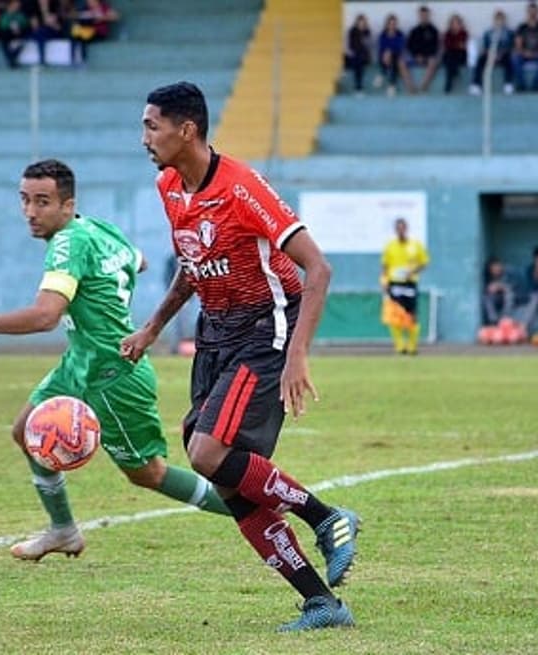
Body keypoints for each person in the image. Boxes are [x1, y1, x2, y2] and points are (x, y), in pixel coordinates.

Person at [123, 82, 359, 632]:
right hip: (215, 333)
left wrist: (298, 354)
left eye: (151, 126)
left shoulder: (242, 187)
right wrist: (153, 326)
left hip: (265, 328)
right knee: (228, 481)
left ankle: (327, 518)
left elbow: (317, 269)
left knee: (207, 453)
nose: (144, 138)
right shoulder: (169, 186)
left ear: (187, 130)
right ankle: (322, 603)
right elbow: (193, 261)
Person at [0, 159, 230, 563]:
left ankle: (264, 510)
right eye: (24, 200)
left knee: (149, 474)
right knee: (26, 430)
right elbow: (138, 261)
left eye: (42, 202)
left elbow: (45, 316)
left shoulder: (68, 243)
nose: (30, 211)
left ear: (67, 205)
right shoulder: (100, 229)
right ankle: (63, 531)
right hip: (80, 361)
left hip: (113, 371)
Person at [380, 218, 429, 355]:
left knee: (412, 316)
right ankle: (400, 346)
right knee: (395, 316)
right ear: (395, 230)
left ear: (406, 229)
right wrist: (384, 281)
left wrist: (413, 271)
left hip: (409, 283)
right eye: (398, 228)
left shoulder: (415, 245)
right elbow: (385, 266)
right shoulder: (390, 246)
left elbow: (424, 262)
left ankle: (412, 347)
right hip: (394, 283)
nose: (401, 230)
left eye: (403, 228)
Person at [470, 10, 515, 96]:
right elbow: (485, 47)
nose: (499, 22)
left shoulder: (509, 33)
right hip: (490, 54)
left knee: (509, 60)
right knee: (480, 60)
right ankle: (476, 85)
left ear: (504, 20)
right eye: (497, 19)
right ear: (494, 20)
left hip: (503, 55)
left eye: (501, 19)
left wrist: (501, 53)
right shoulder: (488, 33)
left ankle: (508, 84)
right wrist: (490, 53)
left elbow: (511, 46)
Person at [512, 1, 538, 93]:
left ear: (537, 12)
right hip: (524, 54)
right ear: (527, 12)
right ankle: (521, 85)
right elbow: (518, 44)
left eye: (534, 11)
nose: (532, 14)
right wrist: (524, 52)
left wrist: (536, 53)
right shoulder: (522, 27)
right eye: (530, 11)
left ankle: (535, 85)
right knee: (515, 59)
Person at [406, 5, 440, 94]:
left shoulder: (433, 31)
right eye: (421, 15)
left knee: (433, 61)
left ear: (428, 16)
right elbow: (409, 46)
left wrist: (424, 56)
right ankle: (411, 87)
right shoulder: (414, 31)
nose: (423, 17)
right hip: (415, 58)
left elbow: (435, 47)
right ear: (419, 16)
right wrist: (416, 55)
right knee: (400, 61)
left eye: (425, 15)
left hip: (427, 58)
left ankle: (423, 86)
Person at [376, 14, 413, 96]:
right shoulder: (382, 35)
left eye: (394, 24)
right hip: (384, 57)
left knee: (395, 59)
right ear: (387, 24)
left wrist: (390, 52)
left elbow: (400, 48)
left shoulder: (400, 34)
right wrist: (386, 53)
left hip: (396, 56)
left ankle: (382, 74)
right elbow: (381, 48)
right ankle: (391, 85)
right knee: (388, 56)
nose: (392, 26)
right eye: (390, 24)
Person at [482, 257, 515, 326]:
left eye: (498, 267)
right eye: (494, 268)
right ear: (490, 269)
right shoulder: (488, 277)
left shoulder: (507, 273)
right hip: (495, 299)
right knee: (486, 296)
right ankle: (493, 321)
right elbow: (487, 288)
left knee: (509, 293)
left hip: (505, 299)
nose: (497, 269)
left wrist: (501, 286)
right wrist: (490, 288)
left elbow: (513, 286)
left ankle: (505, 317)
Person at [344, 14, 372, 95]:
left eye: (363, 22)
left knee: (358, 61)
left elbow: (367, 46)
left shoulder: (367, 32)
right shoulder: (352, 31)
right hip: (355, 54)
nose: (362, 24)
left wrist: (362, 38)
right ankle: (346, 69)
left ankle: (359, 88)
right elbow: (350, 45)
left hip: (363, 56)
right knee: (347, 56)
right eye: (360, 22)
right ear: (357, 22)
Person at [0, 0, 30, 68]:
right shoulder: (4, 15)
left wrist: (19, 29)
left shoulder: (20, 15)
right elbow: (2, 26)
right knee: (3, 41)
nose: (16, 7)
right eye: (14, 5)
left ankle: (12, 60)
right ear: (10, 6)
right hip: (7, 34)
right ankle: (12, 60)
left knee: (22, 41)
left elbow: (25, 25)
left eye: (17, 5)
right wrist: (11, 28)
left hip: (19, 34)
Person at [441, 14, 468, 94]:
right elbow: (447, 45)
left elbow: (463, 46)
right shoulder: (447, 34)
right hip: (450, 55)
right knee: (449, 56)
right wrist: (456, 45)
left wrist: (455, 45)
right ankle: (454, 73)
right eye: (453, 23)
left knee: (452, 56)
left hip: (460, 56)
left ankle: (448, 84)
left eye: (457, 23)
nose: (455, 25)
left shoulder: (464, 33)